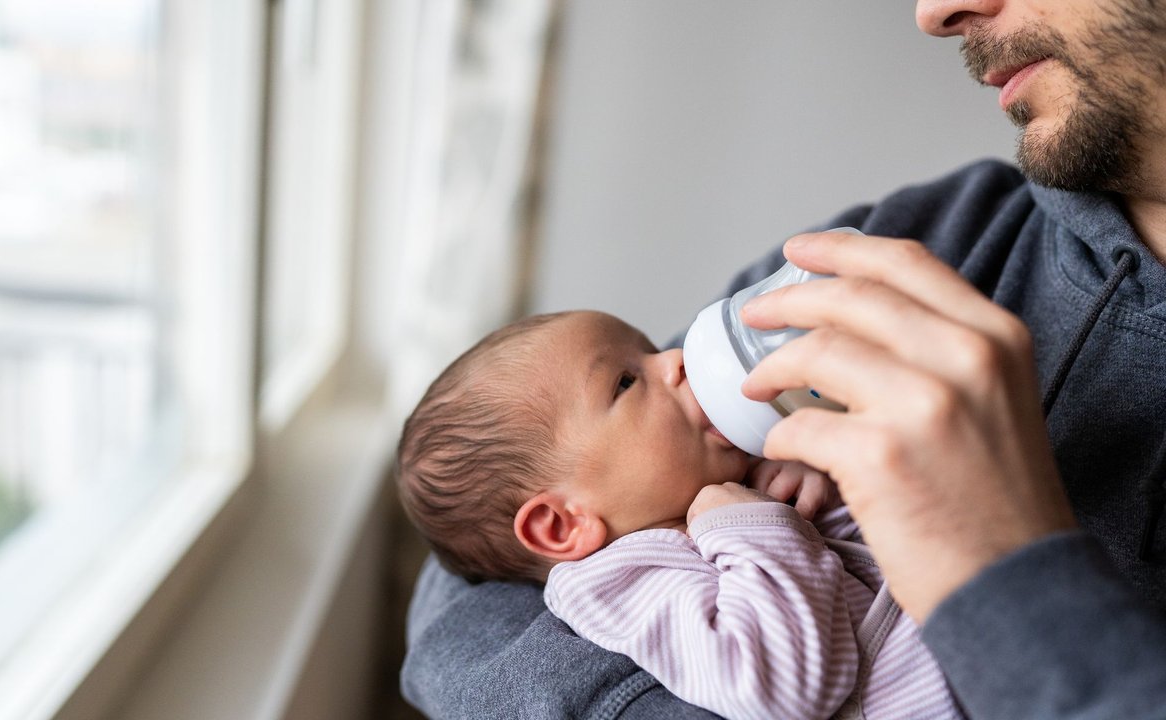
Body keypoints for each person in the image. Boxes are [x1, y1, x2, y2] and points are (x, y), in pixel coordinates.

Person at [402, 1, 1166, 717]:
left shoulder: (709, 498)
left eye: (637, 365)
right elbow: (462, 600)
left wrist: (1006, 572)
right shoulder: (937, 233)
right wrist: (796, 492)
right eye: (628, 379)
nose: (933, 12)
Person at [397, 310, 963, 719]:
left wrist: (825, 484)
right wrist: (746, 523)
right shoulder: (619, 582)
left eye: (648, 349)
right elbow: (781, 686)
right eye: (625, 382)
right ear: (562, 525)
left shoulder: (735, 487)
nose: (674, 360)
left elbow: (870, 562)